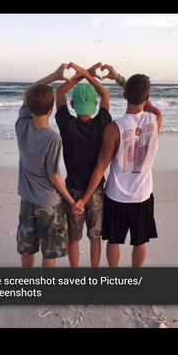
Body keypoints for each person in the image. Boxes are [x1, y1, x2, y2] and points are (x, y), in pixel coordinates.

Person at [75, 74, 162, 268]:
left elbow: (101, 167)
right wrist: (119, 77)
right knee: (140, 241)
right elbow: (147, 103)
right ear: (147, 97)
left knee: (113, 240)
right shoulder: (155, 119)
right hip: (143, 194)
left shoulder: (114, 128)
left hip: (117, 196)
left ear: (124, 96)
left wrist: (85, 197)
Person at [55, 62, 125, 268]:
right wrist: (88, 74)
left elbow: (59, 92)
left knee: (74, 238)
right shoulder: (102, 122)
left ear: (73, 106)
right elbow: (105, 94)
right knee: (95, 238)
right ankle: (94, 274)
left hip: (73, 191)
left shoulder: (66, 125)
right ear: (94, 106)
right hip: (96, 191)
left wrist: (81, 74)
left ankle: (76, 274)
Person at [15, 64, 76, 268]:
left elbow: (30, 92)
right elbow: (54, 176)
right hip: (48, 203)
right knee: (49, 251)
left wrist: (54, 76)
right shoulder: (53, 138)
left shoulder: (22, 125)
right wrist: (70, 200)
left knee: (27, 246)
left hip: (27, 199)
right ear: (51, 110)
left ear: (30, 107)